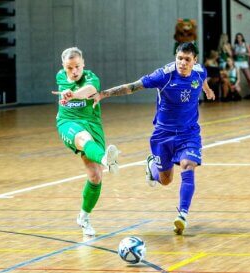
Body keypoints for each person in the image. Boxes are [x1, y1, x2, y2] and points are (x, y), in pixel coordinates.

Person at [93, 43, 215, 235]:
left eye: (187, 60)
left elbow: (203, 78)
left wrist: (207, 89)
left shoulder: (199, 72)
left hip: (188, 133)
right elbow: (133, 87)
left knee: (188, 165)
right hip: (163, 135)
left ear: (194, 61)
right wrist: (105, 93)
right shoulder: (164, 75)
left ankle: (182, 214)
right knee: (165, 181)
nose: (182, 63)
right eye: (179, 58)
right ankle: (152, 167)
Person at [51, 47, 119, 236]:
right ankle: (106, 160)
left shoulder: (91, 78)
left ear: (84, 64)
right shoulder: (60, 76)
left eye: (77, 67)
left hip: (92, 123)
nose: (74, 71)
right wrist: (69, 93)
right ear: (63, 67)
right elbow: (68, 86)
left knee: (95, 176)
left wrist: (74, 94)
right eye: (69, 68)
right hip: (68, 123)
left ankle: (83, 217)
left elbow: (89, 90)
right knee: (83, 138)